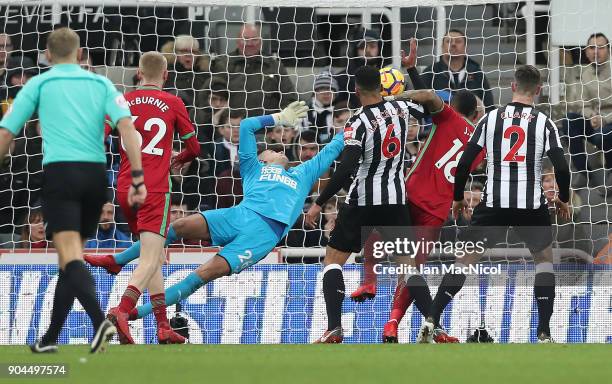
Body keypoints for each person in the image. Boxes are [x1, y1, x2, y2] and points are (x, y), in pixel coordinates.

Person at [84, 101, 345, 343]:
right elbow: (246, 126)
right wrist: (279, 117)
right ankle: (117, 261)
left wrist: (360, 122)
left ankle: (131, 315)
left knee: (202, 275)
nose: (277, 150)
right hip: (238, 215)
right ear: (262, 158)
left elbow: (335, 146)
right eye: (271, 149)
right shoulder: (253, 167)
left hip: (262, 235)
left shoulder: (303, 173)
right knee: (177, 227)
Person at [0, 27, 146, 353]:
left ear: (48, 55)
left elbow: (7, 132)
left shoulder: (39, 82)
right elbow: (127, 127)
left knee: (70, 258)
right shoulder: (101, 83)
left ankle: (100, 324)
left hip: (61, 174)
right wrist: (138, 176)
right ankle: (51, 338)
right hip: (96, 177)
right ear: (80, 54)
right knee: (69, 260)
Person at [419, 65, 571, 344]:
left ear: (512, 86)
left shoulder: (489, 119)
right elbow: (561, 166)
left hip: (493, 204)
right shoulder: (544, 122)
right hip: (530, 205)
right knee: (544, 263)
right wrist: (564, 198)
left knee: (464, 260)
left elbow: (465, 163)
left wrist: (457, 197)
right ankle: (544, 333)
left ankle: (431, 319)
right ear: (538, 90)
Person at [349, 88, 486, 344]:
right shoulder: (481, 145)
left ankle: (370, 280)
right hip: (436, 211)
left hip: (410, 194)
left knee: (377, 228)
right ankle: (393, 323)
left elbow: (426, 94)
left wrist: (388, 100)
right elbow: (471, 166)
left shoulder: (446, 117)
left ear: (452, 106)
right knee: (412, 269)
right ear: (476, 114)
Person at [303, 66, 427, 343]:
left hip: (362, 201)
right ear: (382, 87)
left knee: (333, 261)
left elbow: (346, 168)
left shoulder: (357, 122)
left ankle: (334, 326)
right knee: (408, 267)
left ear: (357, 90)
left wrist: (319, 202)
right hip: (395, 200)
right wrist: (412, 70)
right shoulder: (401, 109)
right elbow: (426, 103)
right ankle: (435, 324)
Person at [86, 51, 199, 344]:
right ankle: (120, 311)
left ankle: (162, 326)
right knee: (150, 258)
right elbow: (195, 148)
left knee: (155, 255)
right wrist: (177, 159)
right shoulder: (173, 102)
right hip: (155, 188)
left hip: (125, 187)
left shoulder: (121, 101)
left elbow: (100, 134)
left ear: (138, 72)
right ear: (165, 75)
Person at [208, 23, 298, 116]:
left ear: (261, 42)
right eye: (246, 39)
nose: (250, 44)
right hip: (232, 127)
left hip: (266, 127)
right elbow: (209, 98)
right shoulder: (223, 64)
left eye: (254, 39)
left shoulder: (274, 66)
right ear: (238, 41)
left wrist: (279, 122)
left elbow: (290, 98)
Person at [565, 33, 612, 190]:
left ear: (608, 50)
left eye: (601, 47)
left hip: (610, 121)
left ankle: (610, 170)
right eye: (592, 47)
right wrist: (591, 116)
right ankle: (584, 172)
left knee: (602, 135)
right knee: (569, 120)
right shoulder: (585, 73)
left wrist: (604, 118)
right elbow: (583, 104)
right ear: (586, 51)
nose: (596, 51)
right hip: (595, 118)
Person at [421, 29, 494, 110]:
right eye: (448, 41)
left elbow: (489, 106)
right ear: (442, 46)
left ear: (465, 47)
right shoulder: (430, 73)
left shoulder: (477, 73)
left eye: (458, 41)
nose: (453, 44)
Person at [301, 70, 339, 143]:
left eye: (330, 89)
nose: (326, 93)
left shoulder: (342, 112)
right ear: (315, 92)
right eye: (322, 88)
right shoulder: (304, 113)